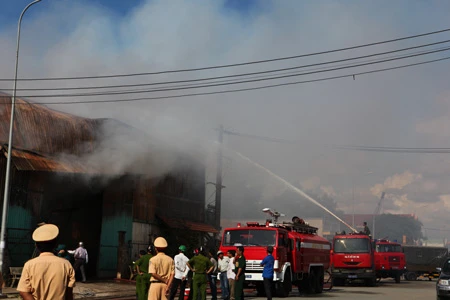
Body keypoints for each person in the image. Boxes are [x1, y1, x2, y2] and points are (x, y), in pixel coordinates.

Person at [17, 224, 75, 300]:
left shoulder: (29, 265)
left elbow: (24, 292)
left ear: (36, 246)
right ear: (55, 245)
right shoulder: (66, 264)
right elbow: (69, 293)